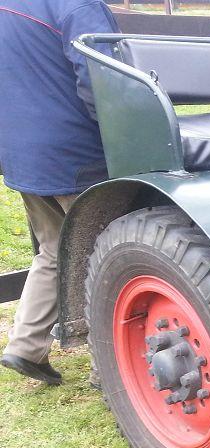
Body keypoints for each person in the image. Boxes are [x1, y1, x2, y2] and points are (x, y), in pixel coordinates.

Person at [0, 0, 119, 386]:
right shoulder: (77, 5)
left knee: (54, 247)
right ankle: (111, 366)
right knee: (109, 252)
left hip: (22, 153)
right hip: (76, 154)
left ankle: (25, 346)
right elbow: (103, 76)